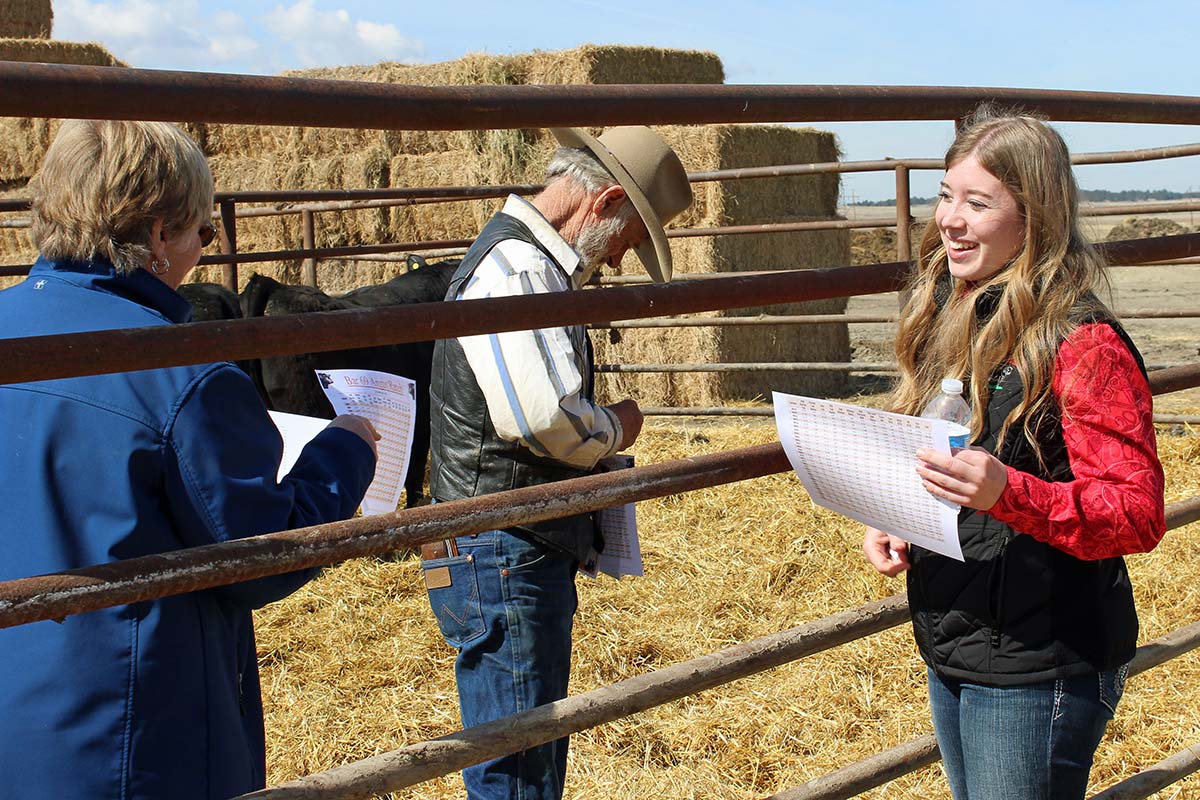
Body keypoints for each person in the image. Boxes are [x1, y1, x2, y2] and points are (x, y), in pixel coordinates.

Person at [0, 120, 379, 799]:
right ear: (157, 236)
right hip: (128, 732)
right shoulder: (179, 373)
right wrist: (344, 452)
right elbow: (258, 558)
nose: (205, 250)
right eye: (204, 232)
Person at [861, 107, 1166, 800]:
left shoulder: (1082, 344)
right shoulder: (957, 311)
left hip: (1041, 659)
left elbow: (1137, 513)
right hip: (960, 639)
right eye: (944, 195)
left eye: (977, 202)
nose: (949, 219)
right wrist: (896, 512)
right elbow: (943, 455)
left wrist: (1010, 493)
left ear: (1034, 217)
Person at [423, 126, 692, 799]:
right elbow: (544, 420)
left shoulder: (529, 265)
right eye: (628, 241)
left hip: (504, 537)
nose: (621, 263)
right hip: (503, 541)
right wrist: (616, 426)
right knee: (517, 762)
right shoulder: (517, 271)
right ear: (600, 203)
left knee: (525, 747)